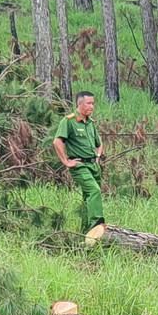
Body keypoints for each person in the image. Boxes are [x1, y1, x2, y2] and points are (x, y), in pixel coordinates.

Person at [54, 91, 106, 244]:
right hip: (80, 166)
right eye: (88, 103)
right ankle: (98, 223)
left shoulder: (90, 123)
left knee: (87, 198)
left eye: (93, 104)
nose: (91, 107)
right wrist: (66, 161)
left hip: (93, 165)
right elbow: (57, 142)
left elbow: (99, 143)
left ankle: (86, 233)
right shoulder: (69, 121)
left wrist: (97, 157)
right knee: (94, 191)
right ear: (79, 104)